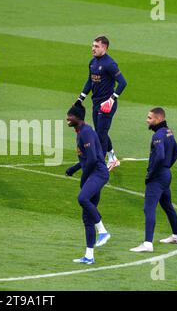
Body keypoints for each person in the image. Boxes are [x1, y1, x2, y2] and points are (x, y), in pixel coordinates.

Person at [130, 108, 177, 252]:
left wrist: (152, 173)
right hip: (165, 174)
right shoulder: (168, 132)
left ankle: (147, 244)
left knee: (149, 208)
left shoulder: (158, 135)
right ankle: (176, 236)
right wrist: (167, 167)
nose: (147, 120)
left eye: (150, 118)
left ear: (158, 119)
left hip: (158, 177)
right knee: (167, 205)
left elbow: (159, 156)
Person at [74, 35, 127, 171]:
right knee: (100, 132)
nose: (93, 48)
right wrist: (81, 98)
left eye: (96, 46)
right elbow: (90, 81)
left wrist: (111, 99)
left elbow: (123, 82)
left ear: (104, 47)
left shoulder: (110, 64)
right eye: (92, 46)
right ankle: (112, 158)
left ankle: (100, 166)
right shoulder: (92, 62)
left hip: (107, 105)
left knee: (100, 135)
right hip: (96, 103)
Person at [66, 104, 111, 264]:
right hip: (93, 173)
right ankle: (89, 256)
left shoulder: (86, 133)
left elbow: (92, 159)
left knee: (82, 198)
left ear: (78, 117)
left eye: (70, 116)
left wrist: (84, 177)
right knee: (87, 216)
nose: (67, 119)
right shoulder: (82, 132)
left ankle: (103, 231)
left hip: (98, 174)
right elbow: (88, 157)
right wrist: (74, 168)